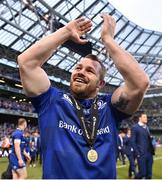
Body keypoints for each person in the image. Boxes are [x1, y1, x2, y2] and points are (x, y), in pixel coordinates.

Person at [17, 14, 149, 179]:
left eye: (90, 70)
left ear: (100, 84)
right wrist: (65, 32)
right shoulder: (51, 101)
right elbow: (26, 63)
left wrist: (108, 40)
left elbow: (140, 83)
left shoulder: (110, 107)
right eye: (78, 68)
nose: (80, 72)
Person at [131, 112, 155, 179]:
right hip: (141, 154)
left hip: (149, 154)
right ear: (140, 118)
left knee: (149, 174)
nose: (146, 118)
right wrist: (138, 153)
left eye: (146, 117)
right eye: (144, 117)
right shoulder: (135, 127)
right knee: (142, 173)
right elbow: (132, 141)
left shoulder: (146, 127)